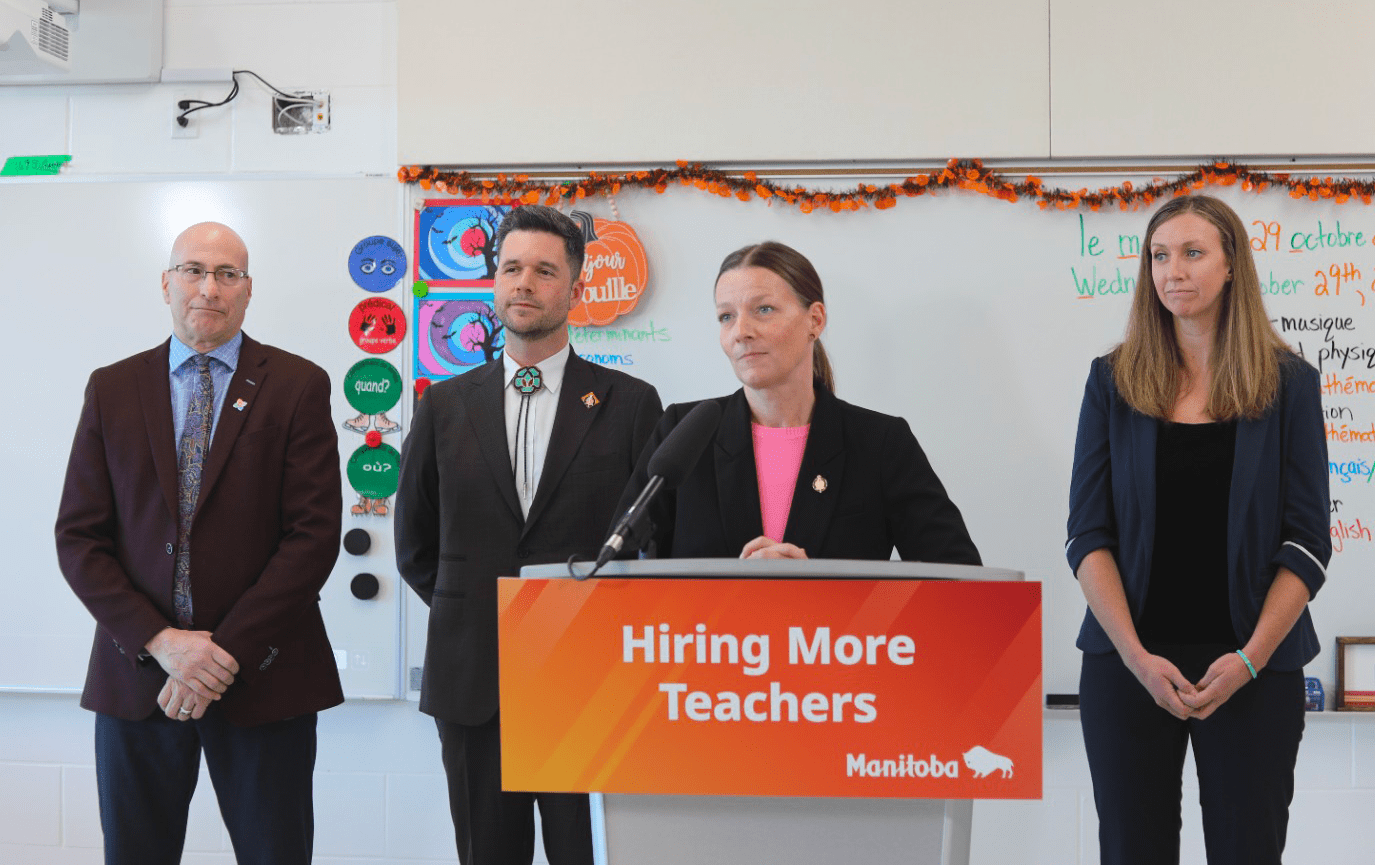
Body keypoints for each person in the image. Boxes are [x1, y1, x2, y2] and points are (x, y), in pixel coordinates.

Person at [54, 222, 344, 865]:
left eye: (227, 274)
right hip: (139, 678)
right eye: (193, 270)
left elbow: (313, 536)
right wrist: (161, 642)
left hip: (265, 676)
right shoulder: (113, 387)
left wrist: (220, 656)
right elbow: (79, 537)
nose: (208, 288)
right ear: (166, 284)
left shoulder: (298, 386)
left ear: (247, 291)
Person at [394, 204, 662, 865]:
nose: (524, 283)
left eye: (544, 270)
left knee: (588, 854)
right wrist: (487, 615)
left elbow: (653, 539)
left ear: (573, 288)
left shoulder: (630, 404)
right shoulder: (443, 404)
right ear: (493, 282)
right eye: (511, 268)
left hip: (588, 679)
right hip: (472, 676)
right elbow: (414, 544)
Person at [1066, 195, 1330, 865]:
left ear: (1231, 265)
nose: (1171, 270)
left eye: (1191, 253)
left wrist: (1248, 659)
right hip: (1129, 665)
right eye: (1158, 255)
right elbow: (1086, 534)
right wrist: (1133, 657)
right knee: (1131, 850)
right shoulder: (1111, 382)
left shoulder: (1288, 385)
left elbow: (1306, 542)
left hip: (1252, 666)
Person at [618, 240, 980, 564]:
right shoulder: (682, 433)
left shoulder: (880, 442)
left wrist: (820, 588)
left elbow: (958, 578)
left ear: (815, 319)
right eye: (726, 316)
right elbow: (617, 568)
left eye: (763, 310)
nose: (740, 331)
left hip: (840, 640)